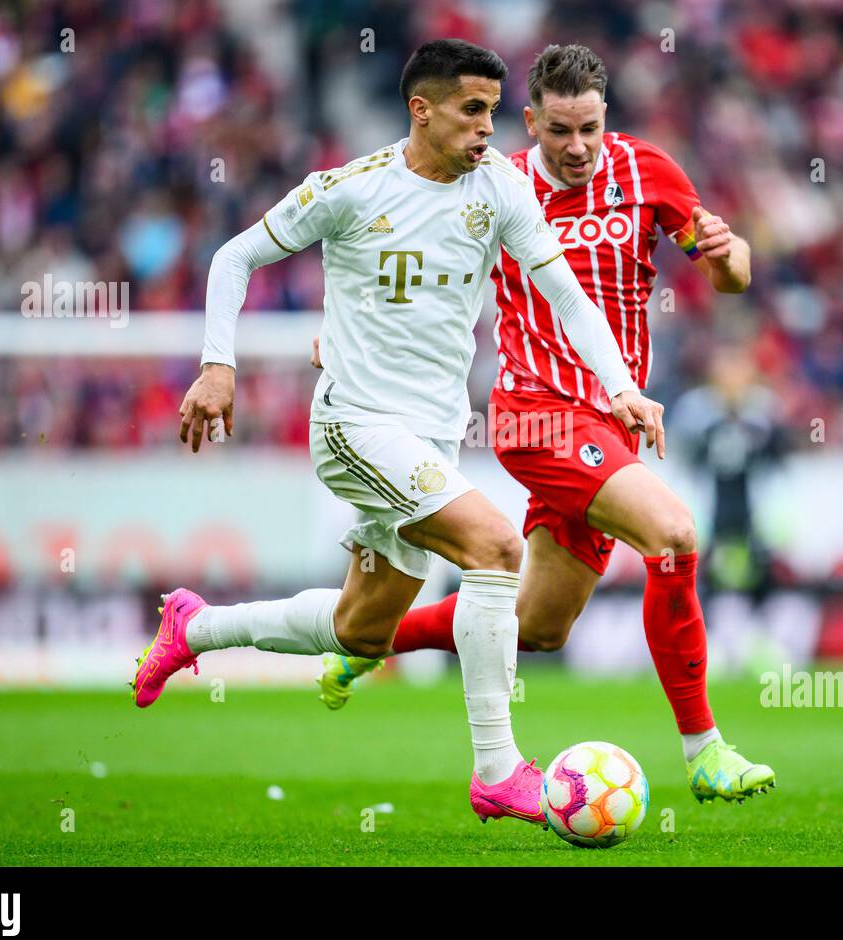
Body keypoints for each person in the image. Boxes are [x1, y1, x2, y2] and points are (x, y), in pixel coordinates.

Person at [130, 39, 664, 826]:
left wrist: (621, 388)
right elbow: (233, 257)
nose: (489, 128)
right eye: (472, 110)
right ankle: (497, 769)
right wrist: (218, 366)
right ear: (423, 110)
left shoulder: (502, 191)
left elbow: (568, 297)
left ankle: (196, 626)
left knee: (364, 629)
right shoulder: (352, 189)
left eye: (492, 110)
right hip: (354, 427)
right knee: (497, 549)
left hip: (431, 440)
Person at [318, 44, 775, 806]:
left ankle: (371, 641)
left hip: (609, 427)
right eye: (558, 131)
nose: (576, 148)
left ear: (606, 119)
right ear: (529, 122)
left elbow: (731, 276)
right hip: (534, 415)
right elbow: (403, 257)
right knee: (674, 535)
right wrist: (347, 330)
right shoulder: (493, 184)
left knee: (536, 627)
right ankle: (704, 751)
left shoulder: (650, 173)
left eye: (589, 129)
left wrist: (731, 257)